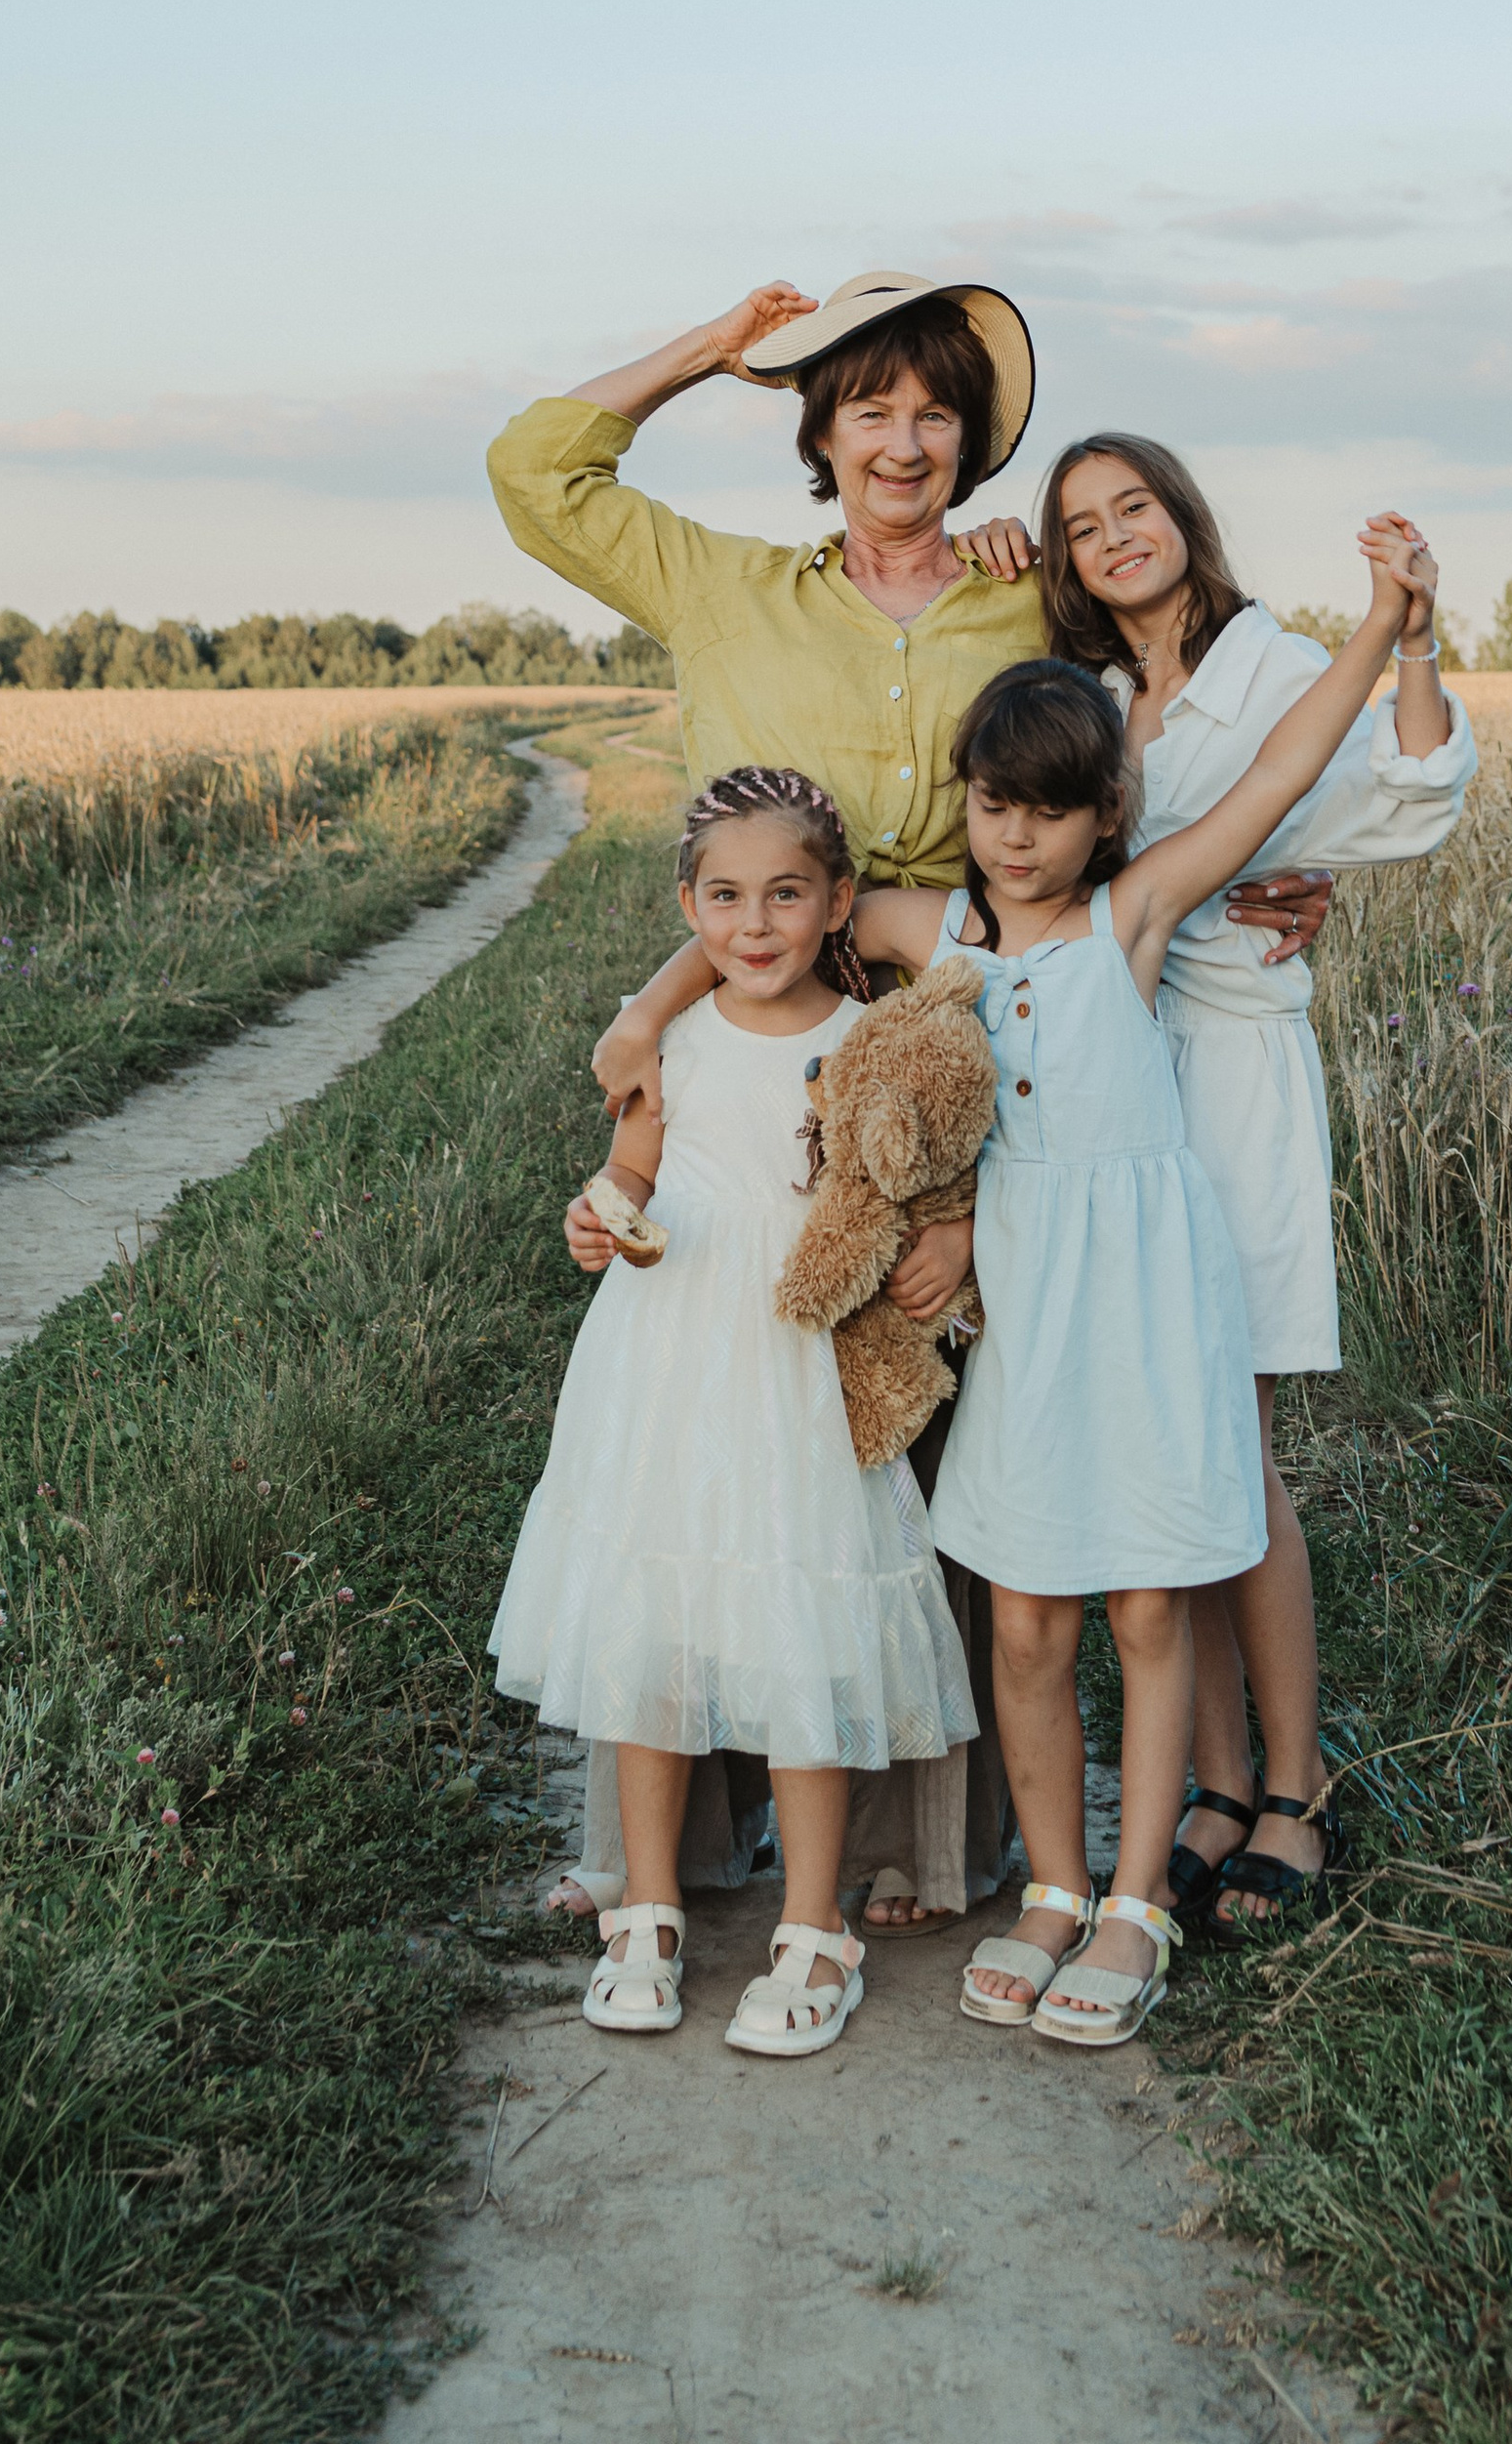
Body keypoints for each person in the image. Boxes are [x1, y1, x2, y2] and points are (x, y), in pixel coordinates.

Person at [488, 273, 1328, 1928]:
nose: (903, 439)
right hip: (757, 1065)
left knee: (936, 1449)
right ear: (812, 429)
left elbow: (1160, 773)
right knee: (732, 1424)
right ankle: (698, 1837)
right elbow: (535, 471)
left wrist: (1283, 888)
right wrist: (704, 351)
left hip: (970, 1077)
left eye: (936, 411)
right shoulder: (727, 591)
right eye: (866, 407)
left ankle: (917, 1854)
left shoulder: (1025, 611)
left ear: (970, 444)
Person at [832, 511, 1437, 2049]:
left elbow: (1288, 769)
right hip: (1028, 1319)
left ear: (1108, 814)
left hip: (1155, 1312)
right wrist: (655, 1013)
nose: (1017, 836)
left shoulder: (1135, 916)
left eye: (1049, 810)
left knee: (1153, 1609)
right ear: (967, 809)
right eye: (991, 807)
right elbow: (788, 906)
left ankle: (1140, 1898)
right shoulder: (941, 934)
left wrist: (1382, 627)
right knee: (1031, 1618)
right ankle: (1050, 1883)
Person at [1033, 435, 1474, 1937]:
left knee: (1237, 1436)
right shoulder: (1082, 696)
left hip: (1229, 1070)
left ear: (1181, 515)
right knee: (1159, 1433)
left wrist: (1410, 635)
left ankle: (1297, 1786)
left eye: (1134, 509)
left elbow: (1407, 797)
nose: (1115, 540)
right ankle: (1213, 1782)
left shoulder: (1275, 659)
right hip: (1108, 1069)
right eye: (1084, 528)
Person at [487, 766, 974, 2057]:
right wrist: (597, 1212)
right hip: (666, 1357)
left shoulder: (870, 1042)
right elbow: (632, 1167)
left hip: (799, 1367)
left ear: (837, 906)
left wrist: (959, 1237)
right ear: (687, 907)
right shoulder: (671, 1043)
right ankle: (646, 1910)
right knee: (652, 1634)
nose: (752, 924)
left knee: (805, 1627)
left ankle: (813, 1926)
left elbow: (921, 1177)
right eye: (723, 897)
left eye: (784, 895)